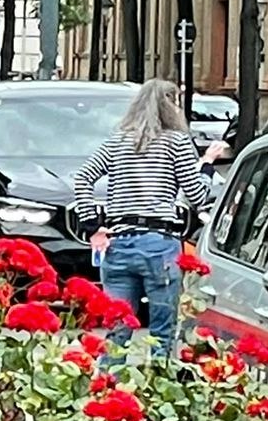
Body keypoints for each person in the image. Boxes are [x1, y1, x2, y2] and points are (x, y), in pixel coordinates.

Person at [71, 79, 215, 356]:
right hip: (158, 245)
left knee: (117, 329)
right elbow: (197, 196)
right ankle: (157, 387)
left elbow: (82, 178)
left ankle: (106, 389)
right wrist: (206, 167)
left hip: (118, 244)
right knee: (162, 331)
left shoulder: (118, 141)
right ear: (171, 104)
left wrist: (94, 227)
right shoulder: (176, 142)